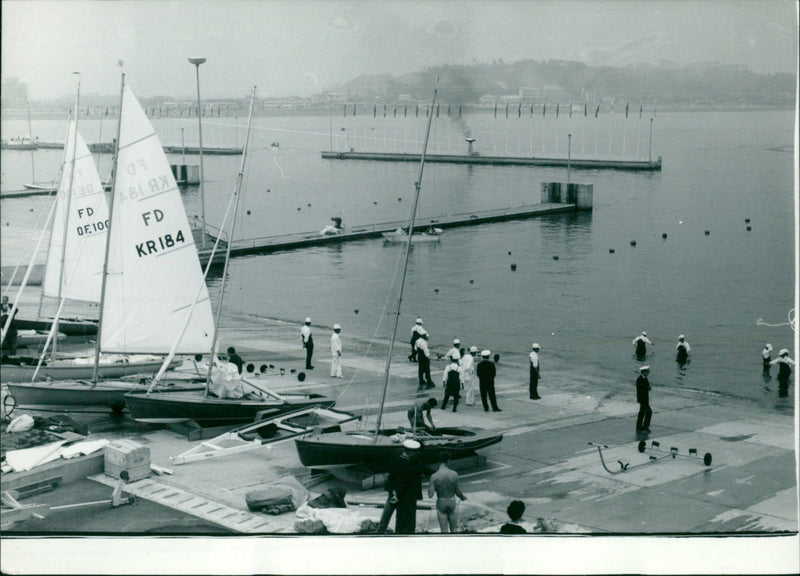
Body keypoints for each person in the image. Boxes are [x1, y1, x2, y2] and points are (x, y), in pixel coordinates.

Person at [377, 439, 424, 534]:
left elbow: (391, 477)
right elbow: (402, 480)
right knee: (404, 517)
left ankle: (380, 531)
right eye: (416, 452)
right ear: (410, 452)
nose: (417, 454)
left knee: (387, 514)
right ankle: (399, 533)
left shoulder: (398, 459)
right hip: (403, 494)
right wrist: (395, 494)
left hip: (397, 493)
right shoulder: (410, 463)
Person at [428, 451, 467, 533]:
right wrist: (463, 497)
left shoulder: (434, 476)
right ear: (448, 460)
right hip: (451, 501)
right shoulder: (454, 474)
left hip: (441, 502)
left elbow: (430, 495)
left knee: (444, 530)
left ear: (439, 460)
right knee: (454, 529)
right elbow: (458, 492)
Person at [635, 366, 652, 433]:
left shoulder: (644, 379)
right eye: (647, 371)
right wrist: (647, 388)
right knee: (649, 412)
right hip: (643, 399)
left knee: (642, 413)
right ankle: (645, 426)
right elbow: (641, 390)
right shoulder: (640, 379)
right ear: (644, 372)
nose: (648, 373)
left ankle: (639, 426)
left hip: (644, 399)